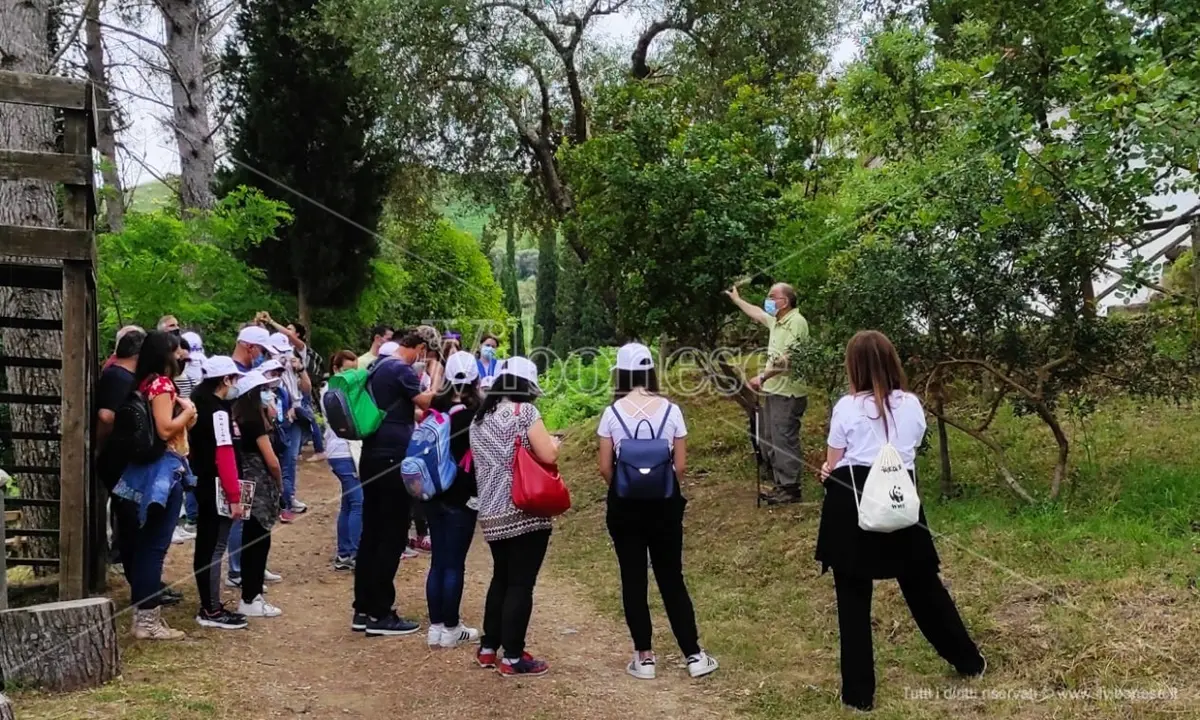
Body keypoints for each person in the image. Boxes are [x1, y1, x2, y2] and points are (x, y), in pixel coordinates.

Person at [816, 331, 985, 712]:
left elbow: (833, 460)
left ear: (853, 366)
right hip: (898, 497)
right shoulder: (911, 404)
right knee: (925, 588)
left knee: (852, 601)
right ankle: (968, 661)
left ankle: (859, 695)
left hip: (852, 501)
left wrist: (828, 470)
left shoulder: (846, 407)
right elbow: (910, 448)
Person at [597, 343, 719, 681]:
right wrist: (661, 486)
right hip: (665, 507)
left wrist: (626, 486)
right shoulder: (672, 411)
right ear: (651, 371)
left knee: (633, 578)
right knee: (671, 577)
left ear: (621, 373)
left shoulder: (612, 413)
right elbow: (680, 466)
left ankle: (645, 658)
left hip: (624, 507)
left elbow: (605, 467)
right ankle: (693, 654)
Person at [469, 357, 557, 677]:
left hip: (491, 511)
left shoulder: (480, 418)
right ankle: (513, 657)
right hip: (524, 509)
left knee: (502, 579)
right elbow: (548, 454)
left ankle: (488, 648)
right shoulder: (525, 413)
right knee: (521, 584)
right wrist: (555, 444)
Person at [352, 330, 440, 637]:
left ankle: (363, 609)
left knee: (371, 534)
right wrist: (436, 373)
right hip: (392, 459)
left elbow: (401, 408)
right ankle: (381, 614)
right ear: (419, 347)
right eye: (424, 354)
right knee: (392, 535)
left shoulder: (377, 366)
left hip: (372, 456)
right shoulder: (401, 369)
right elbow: (427, 402)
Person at [111, 330, 196, 640]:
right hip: (164, 469)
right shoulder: (162, 384)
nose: (181, 355)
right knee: (154, 547)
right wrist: (188, 412)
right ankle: (147, 622)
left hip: (146, 469)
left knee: (146, 545)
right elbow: (164, 429)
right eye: (176, 350)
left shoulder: (144, 382)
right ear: (165, 355)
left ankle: (144, 618)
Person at [724, 283, 810, 505]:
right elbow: (757, 312)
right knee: (770, 439)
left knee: (783, 440)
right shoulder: (776, 321)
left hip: (788, 393)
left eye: (773, 297)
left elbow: (790, 359)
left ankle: (790, 488)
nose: (768, 300)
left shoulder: (796, 322)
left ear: (785, 301)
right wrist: (737, 300)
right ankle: (781, 485)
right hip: (773, 391)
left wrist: (763, 376)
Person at [424, 351, 482, 649]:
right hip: (462, 495)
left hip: (433, 490)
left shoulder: (436, 407)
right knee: (454, 564)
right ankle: (451, 627)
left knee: (438, 561)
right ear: (476, 379)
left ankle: (435, 626)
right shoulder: (475, 415)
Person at [189, 356, 249, 630]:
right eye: (234, 379)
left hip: (203, 482)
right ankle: (211, 609)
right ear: (225, 380)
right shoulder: (218, 413)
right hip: (216, 486)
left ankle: (209, 603)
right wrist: (234, 496)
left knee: (206, 545)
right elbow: (224, 455)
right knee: (214, 547)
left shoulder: (198, 406)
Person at [230, 371, 286, 619]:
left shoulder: (238, 419)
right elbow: (272, 461)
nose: (268, 394)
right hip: (260, 487)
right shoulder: (253, 423)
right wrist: (280, 485)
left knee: (251, 537)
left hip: (245, 484)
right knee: (258, 539)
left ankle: (251, 591)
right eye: (263, 390)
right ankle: (251, 597)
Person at [95, 326, 145, 571]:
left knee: (131, 515)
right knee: (129, 516)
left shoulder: (123, 376)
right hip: (116, 458)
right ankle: (134, 571)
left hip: (123, 457)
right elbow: (106, 416)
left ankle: (137, 570)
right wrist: (100, 444)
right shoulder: (118, 377)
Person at [323, 350, 363, 571]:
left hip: (346, 450)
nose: (351, 375)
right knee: (358, 502)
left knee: (348, 502)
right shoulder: (333, 392)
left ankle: (344, 552)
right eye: (347, 371)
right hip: (342, 451)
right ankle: (356, 553)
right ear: (336, 369)